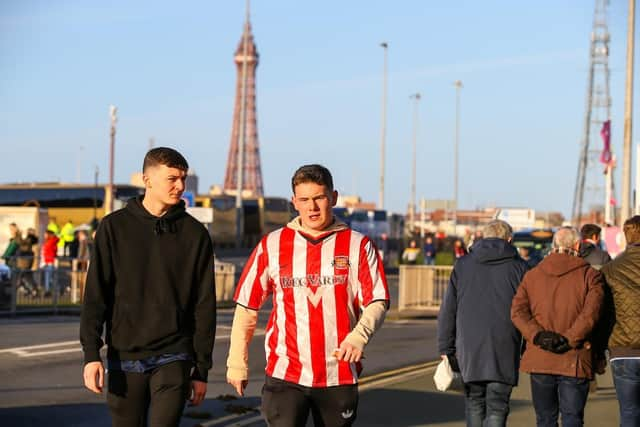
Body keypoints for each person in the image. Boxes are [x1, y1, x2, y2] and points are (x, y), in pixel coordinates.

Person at [226, 164, 389, 426]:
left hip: (337, 374)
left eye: (319, 198)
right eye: (304, 199)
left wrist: (358, 337)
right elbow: (247, 307)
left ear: (333, 198)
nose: (312, 207)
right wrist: (237, 362)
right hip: (285, 374)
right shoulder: (272, 245)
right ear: (294, 202)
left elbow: (377, 300)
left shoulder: (357, 245)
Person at [80, 147, 216, 427]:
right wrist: (91, 354)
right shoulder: (113, 228)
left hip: (174, 354)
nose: (180, 186)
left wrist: (201, 369)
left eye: (183, 179)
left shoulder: (195, 234)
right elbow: (96, 295)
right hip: (124, 355)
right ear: (147, 179)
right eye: (172, 179)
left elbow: (204, 304)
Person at [438, 220, 528, 427]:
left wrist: (445, 346)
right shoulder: (520, 268)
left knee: (474, 403)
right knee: (498, 406)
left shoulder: (463, 265)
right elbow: (529, 311)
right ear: (509, 239)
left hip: (469, 348)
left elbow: (449, 309)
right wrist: (527, 347)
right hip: (505, 345)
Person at [511, 227, 604, 427]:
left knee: (545, 419)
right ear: (577, 246)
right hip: (575, 357)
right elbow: (591, 316)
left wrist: (538, 336)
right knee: (572, 418)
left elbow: (518, 312)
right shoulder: (590, 276)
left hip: (541, 356)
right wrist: (569, 339)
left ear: (554, 246)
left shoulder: (532, 275)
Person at [600, 215, 640, 427]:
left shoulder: (610, 269)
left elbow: (603, 313)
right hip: (624, 350)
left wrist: (598, 350)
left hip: (623, 351)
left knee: (629, 411)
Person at [41, 229, 59, 294]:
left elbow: (52, 251)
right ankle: (48, 290)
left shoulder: (52, 241)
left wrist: (54, 236)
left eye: (45, 234)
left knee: (50, 278)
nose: (44, 235)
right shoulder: (48, 241)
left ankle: (56, 289)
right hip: (46, 262)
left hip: (50, 262)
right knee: (47, 277)